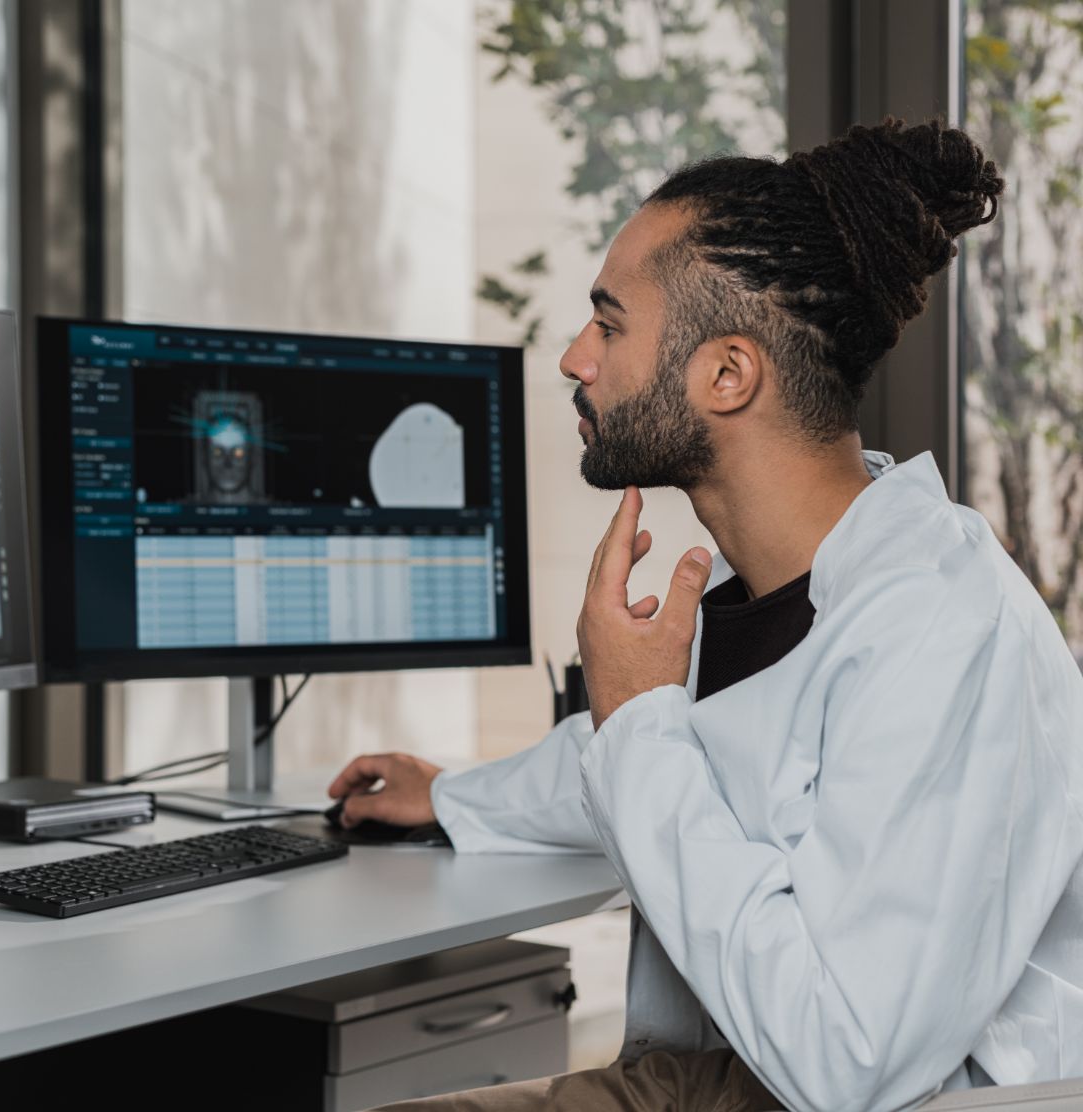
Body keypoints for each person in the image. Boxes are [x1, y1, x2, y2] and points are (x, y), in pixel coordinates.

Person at [327, 119, 1083, 1112]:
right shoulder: (780, 587)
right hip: (731, 1070)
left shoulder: (945, 629)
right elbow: (699, 749)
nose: (571, 357)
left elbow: (847, 1062)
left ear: (728, 374)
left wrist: (636, 715)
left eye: (608, 323)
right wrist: (458, 795)